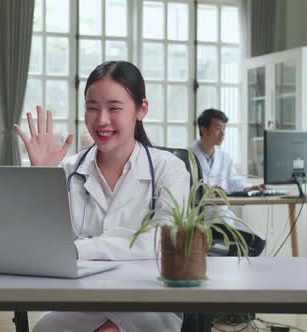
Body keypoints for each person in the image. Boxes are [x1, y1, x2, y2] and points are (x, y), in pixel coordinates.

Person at [14, 61, 189, 332]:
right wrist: (41, 180)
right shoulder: (67, 171)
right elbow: (38, 247)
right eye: (92, 108)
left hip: (146, 302)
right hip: (77, 304)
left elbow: (163, 241)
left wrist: (80, 250)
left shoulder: (170, 169)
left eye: (114, 108)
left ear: (141, 109)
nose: (101, 120)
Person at [190, 108, 266, 256]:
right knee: (255, 242)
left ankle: (229, 268)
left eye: (224, 128)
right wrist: (208, 191)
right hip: (201, 218)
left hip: (222, 216)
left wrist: (249, 187)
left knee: (258, 242)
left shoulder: (224, 157)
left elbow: (234, 180)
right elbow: (186, 188)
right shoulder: (188, 156)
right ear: (203, 129)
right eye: (218, 128)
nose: (223, 133)